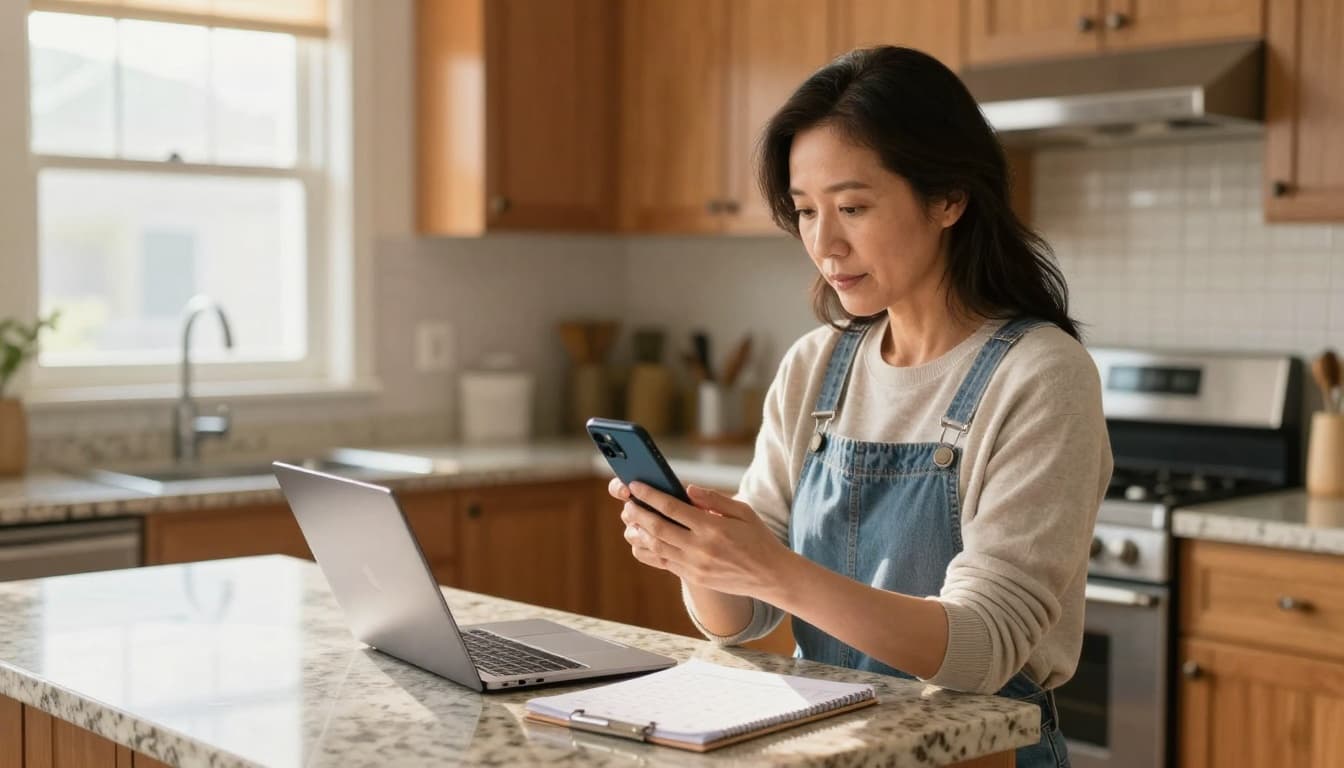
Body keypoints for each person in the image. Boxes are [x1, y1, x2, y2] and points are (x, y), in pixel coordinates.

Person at [609, 46, 1112, 767]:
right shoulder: (817, 365)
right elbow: (743, 623)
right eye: (806, 210)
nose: (823, 243)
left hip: (981, 756)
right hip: (838, 743)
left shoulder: (1041, 375)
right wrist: (701, 555)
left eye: (852, 207)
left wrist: (770, 569)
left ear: (948, 198)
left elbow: (983, 649)